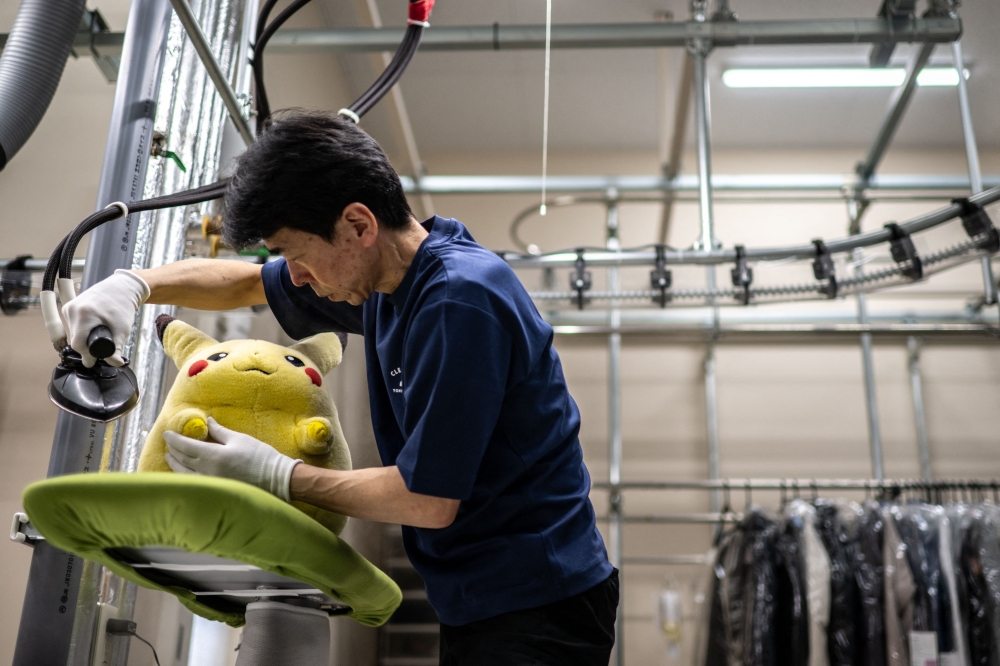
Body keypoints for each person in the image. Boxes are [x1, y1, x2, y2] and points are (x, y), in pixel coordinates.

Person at [63, 110, 617, 665]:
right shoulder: (389, 283)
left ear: (358, 224)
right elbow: (248, 282)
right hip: (478, 598)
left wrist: (277, 474)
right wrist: (133, 287)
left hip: (540, 598)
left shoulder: (458, 300)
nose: (296, 276)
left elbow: (428, 501)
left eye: (297, 256)